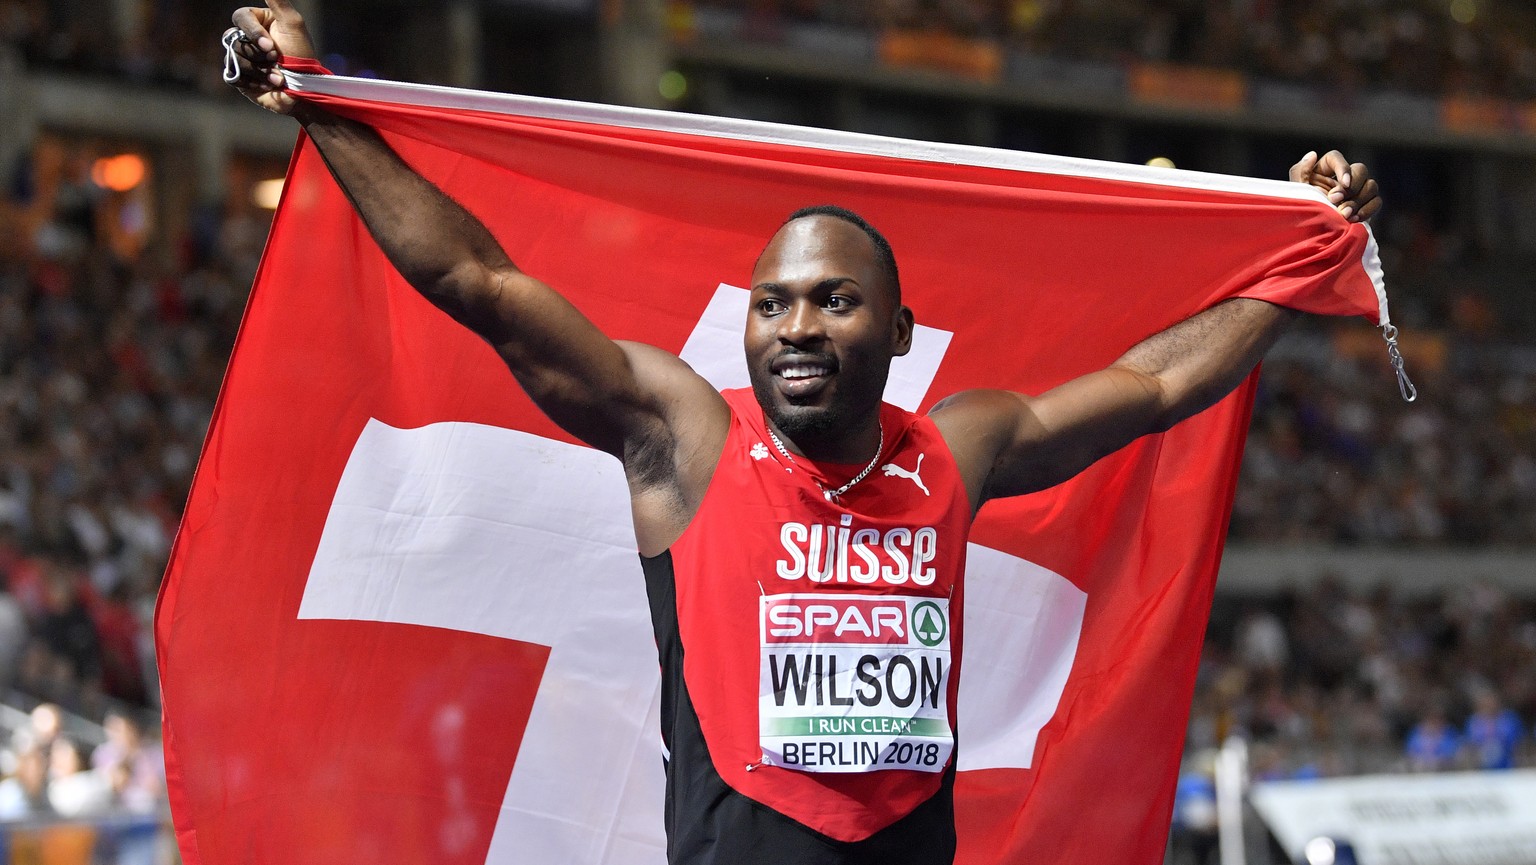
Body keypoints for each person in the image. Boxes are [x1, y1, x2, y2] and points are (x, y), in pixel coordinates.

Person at [224, 3, 1381, 862]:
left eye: (835, 300)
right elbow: (476, 279)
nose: (797, 326)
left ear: (898, 327)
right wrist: (322, 105)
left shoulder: (958, 447)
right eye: (773, 302)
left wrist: (1301, 253)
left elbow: (1152, 385)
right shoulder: (681, 437)